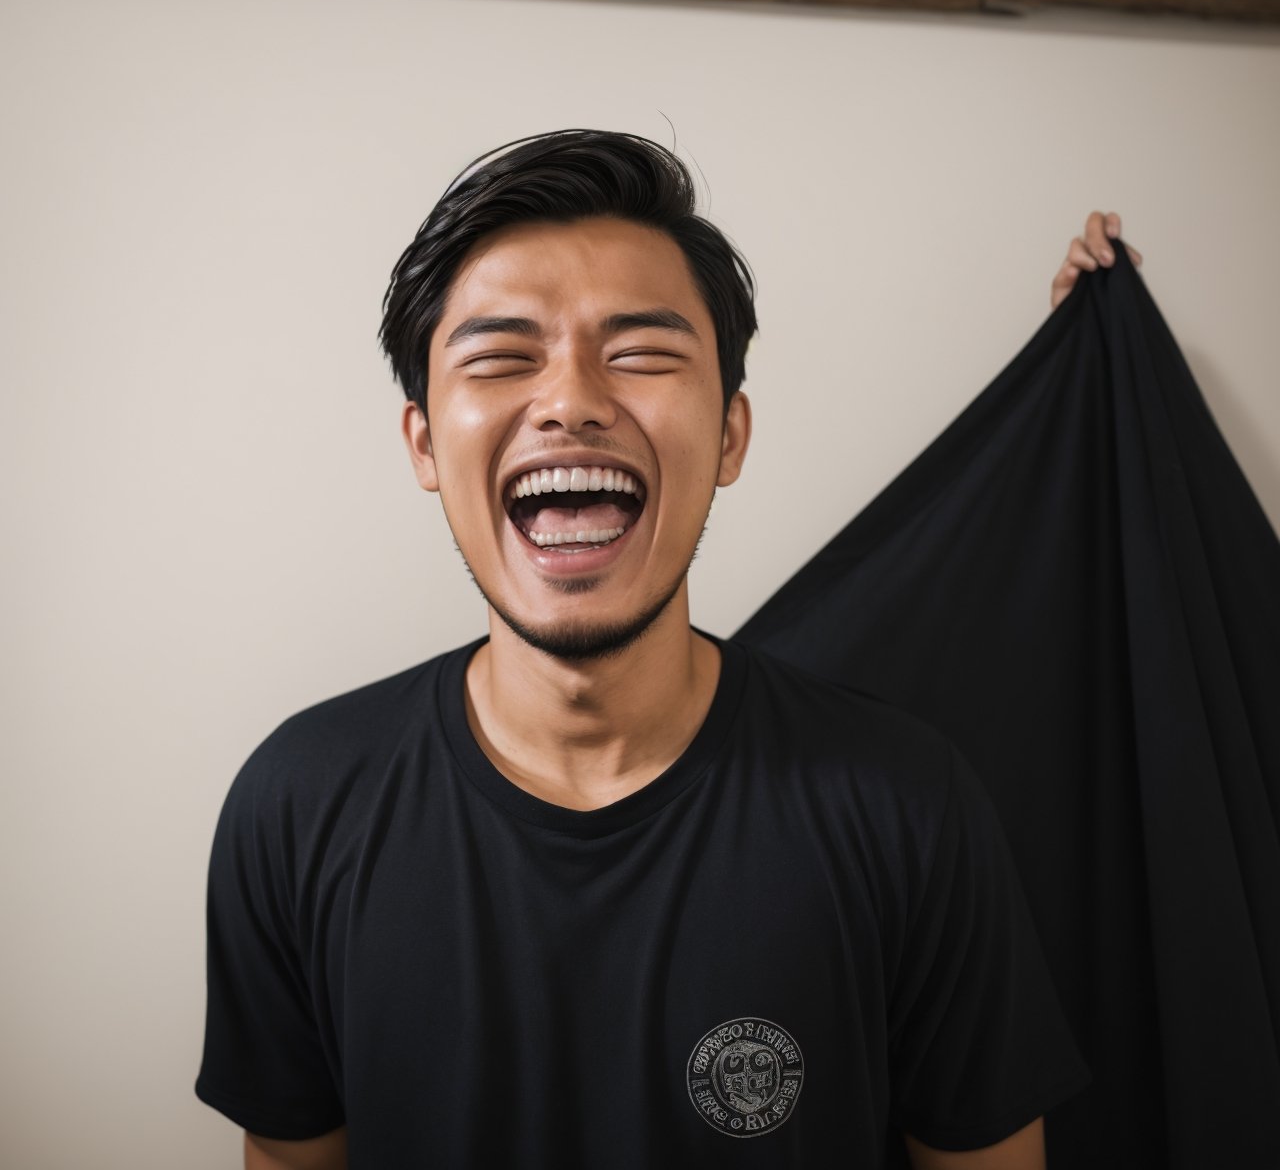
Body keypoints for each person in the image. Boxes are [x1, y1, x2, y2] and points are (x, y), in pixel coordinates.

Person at [196, 130, 1135, 1169]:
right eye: (503, 357)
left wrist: (1094, 359)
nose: (569, 401)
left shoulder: (906, 806)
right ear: (423, 442)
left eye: (639, 353)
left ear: (729, 433)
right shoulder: (295, 807)